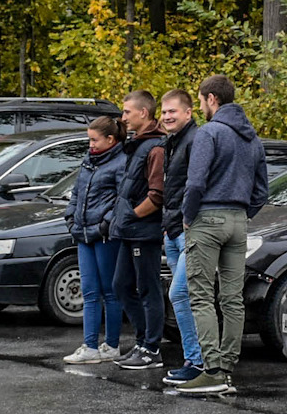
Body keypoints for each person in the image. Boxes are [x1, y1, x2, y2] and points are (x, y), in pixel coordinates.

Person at [171, 75, 268, 397]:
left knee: (200, 296)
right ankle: (226, 369)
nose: (200, 106)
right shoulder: (251, 138)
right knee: (232, 299)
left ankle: (211, 371)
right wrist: (243, 213)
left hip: (207, 219)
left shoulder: (209, 132)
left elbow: (195, 182)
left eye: (200, 100)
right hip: (239, 221)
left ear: (212, 99)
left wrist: (188, 216)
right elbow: (261, 190)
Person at [110, 91, 168, 370]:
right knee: (121, 285)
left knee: (148, 288)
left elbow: (157, 194)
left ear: (144, 113)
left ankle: (151, 349)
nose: (123, 118)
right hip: (129, 229)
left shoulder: (155, 147)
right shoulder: (137, 143)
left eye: (127, 112)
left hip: (143, 231)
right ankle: (143, 341)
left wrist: (133, 216)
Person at [62, 116, 127, 364]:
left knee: (109, 292)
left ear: (110, 139)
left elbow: (122, 198)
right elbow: (77, 192)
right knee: (89, 290)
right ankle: (89, 345)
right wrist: (71, 218)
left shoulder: (121, 163)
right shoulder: (89, 161)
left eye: (94, 140)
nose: (90, 145)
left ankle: (111, 345)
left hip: (104, 235)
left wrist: (105, 224)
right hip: (83, 233)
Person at [156, 88, 204, 385]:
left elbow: (197, 184)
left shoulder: (196, 140)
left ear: (188, 112)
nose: (167, 116)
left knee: (181, 294)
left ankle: (198, 362)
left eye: (172, 111)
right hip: (171, 231)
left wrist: (188, 219)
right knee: (183, 298)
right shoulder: (171, 143)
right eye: (164, 112)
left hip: (189, 230)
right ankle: (192, 358)